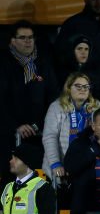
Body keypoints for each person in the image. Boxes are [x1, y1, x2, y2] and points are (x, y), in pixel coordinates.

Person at [3, 21, 59, 159]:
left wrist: (37, 125)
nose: (28, 41)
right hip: (8, 136)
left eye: (31, 37)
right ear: (12, 41)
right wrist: (15, 126)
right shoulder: (3, 64)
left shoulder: (43, 64)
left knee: (37, 178)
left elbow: (53, 98)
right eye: (23, 38)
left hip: (38, 134)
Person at [42, 73, 100, 182]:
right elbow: (50, 137)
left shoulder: (96, 107)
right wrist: (55, 164)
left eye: (86, 87)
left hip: (88, 165)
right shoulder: (57, 107)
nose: (83, 89)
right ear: (69, 88)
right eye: (78, 86)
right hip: (61, 165)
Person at [56, 34, 100, 101]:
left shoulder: (97, 71)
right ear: (73, 51)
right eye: (79, 49)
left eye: (86, 49)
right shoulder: (64, 69)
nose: (83, 52)